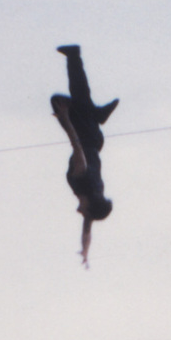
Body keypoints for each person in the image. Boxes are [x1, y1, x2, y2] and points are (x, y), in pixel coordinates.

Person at [50, 45, 118, 266]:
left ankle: (97, 113)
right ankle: (73, 55)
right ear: (88, 205)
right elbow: (75, 144)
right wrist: (65, 118)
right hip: (85, 136)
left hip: (95, 140)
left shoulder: (92, 199)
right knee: (66, 100)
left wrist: (85, 251)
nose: (81, 215)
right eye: (85, 214)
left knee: (83, 102)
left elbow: (87, 230)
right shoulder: (82, 179)